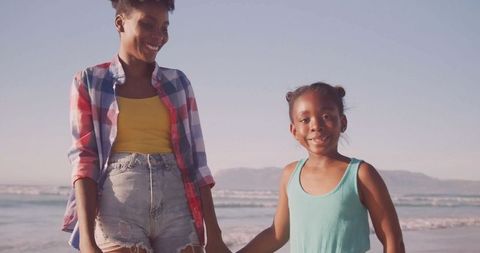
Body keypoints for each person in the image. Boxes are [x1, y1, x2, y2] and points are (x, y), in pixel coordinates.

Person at [61, 1, 231, 252]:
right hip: (118, 208)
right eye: (147, 24)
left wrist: (214, 236)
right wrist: (87, 239)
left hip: (177, 207)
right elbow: (85, 162)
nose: (159, 36)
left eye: (164, 27)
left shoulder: (178, 83)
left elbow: (197, 163)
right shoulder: (89, 81)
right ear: (120, 22)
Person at [238, 82, 405, 253]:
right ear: (294, 130)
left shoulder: (360, 174)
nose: (316, 125)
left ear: (343, 122)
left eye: (326, 116)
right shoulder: (290, 175)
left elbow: (392, 239)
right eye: (305, 119)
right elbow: (277, 234)